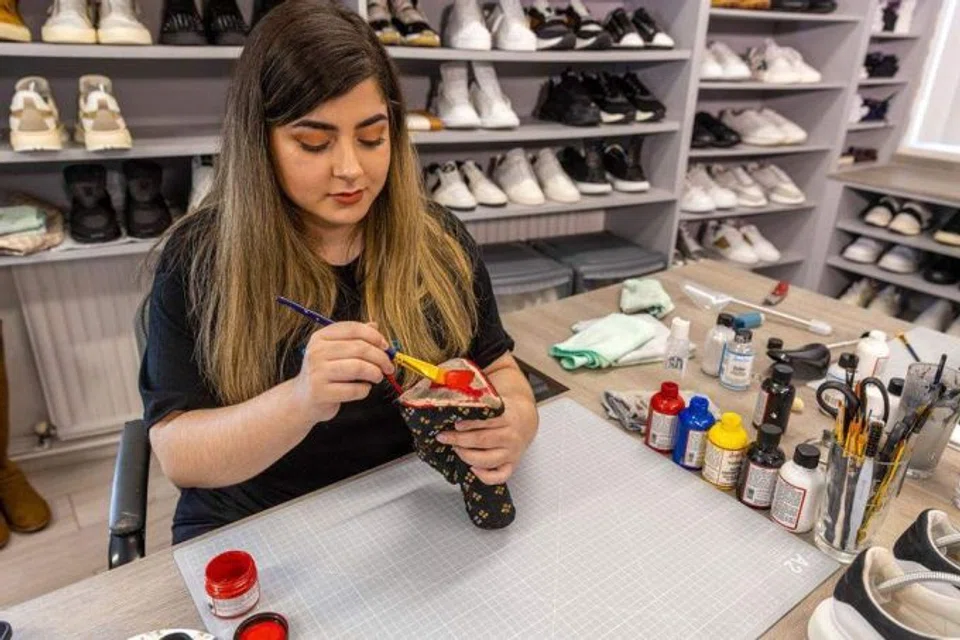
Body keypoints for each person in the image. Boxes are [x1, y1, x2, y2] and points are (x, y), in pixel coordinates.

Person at [140, 0, 538, 544]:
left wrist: (514, 423)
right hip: (258, 525)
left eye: (373, 137)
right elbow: (179, 455)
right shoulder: (198, 261)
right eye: (314, 143)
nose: (351, 169)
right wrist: (300, 401)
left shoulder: (439, 241)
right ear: (261, 143)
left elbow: (502, 369)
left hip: (402, 509)